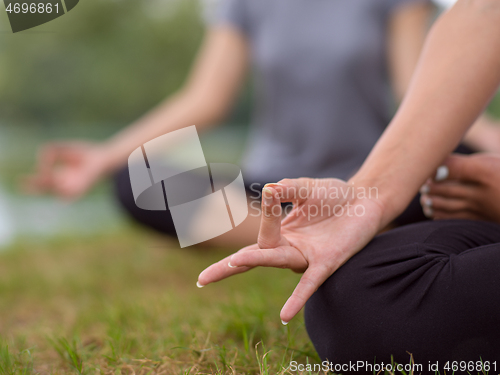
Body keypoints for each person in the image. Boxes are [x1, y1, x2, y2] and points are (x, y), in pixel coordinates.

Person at [24, 0, 500, 246]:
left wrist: (490, 145)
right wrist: (103, 157)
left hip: (376, 183)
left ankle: (359, 224)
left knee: (465, 167)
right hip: (275, 189)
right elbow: (205, 98)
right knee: (138, 181)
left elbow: (418, 89)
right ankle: (301, 236)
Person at [198, 0, 500, 370]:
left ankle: (358, 221)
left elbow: (410, 83)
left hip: (365, 161)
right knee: (143, 183)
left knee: (379, 314)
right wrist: (367, 198)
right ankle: (327, 221)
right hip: (276, 179)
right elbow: (484, 13)